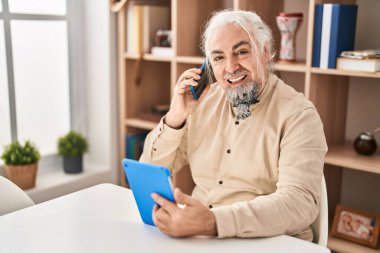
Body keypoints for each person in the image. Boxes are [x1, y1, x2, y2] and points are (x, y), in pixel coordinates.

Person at [139, 9, 327, 241]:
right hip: (202, 237)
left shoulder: (300, 115)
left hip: (271, 241)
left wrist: (213, 222)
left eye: (241, 52)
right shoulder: (201, 102)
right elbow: (149, 171)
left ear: (265, 52)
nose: (230, 67)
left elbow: (299, 203)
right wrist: (175, 118)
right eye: (218, 58)